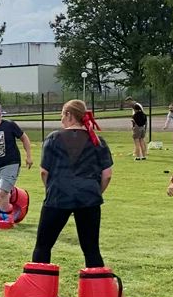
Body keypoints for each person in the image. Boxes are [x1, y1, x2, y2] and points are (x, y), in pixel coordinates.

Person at [32, 99, 113, 266]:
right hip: (88, 197)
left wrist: (51, 189)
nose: (61, 119)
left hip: (58, 194)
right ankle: (97, 282)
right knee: (91, 249)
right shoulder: (97, 141)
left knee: (43, 246)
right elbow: (107, 175)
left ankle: (40, 282)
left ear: (69, 115)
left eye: (62, 114)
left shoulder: (54, 138)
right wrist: (95, 192)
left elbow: (44, 171)